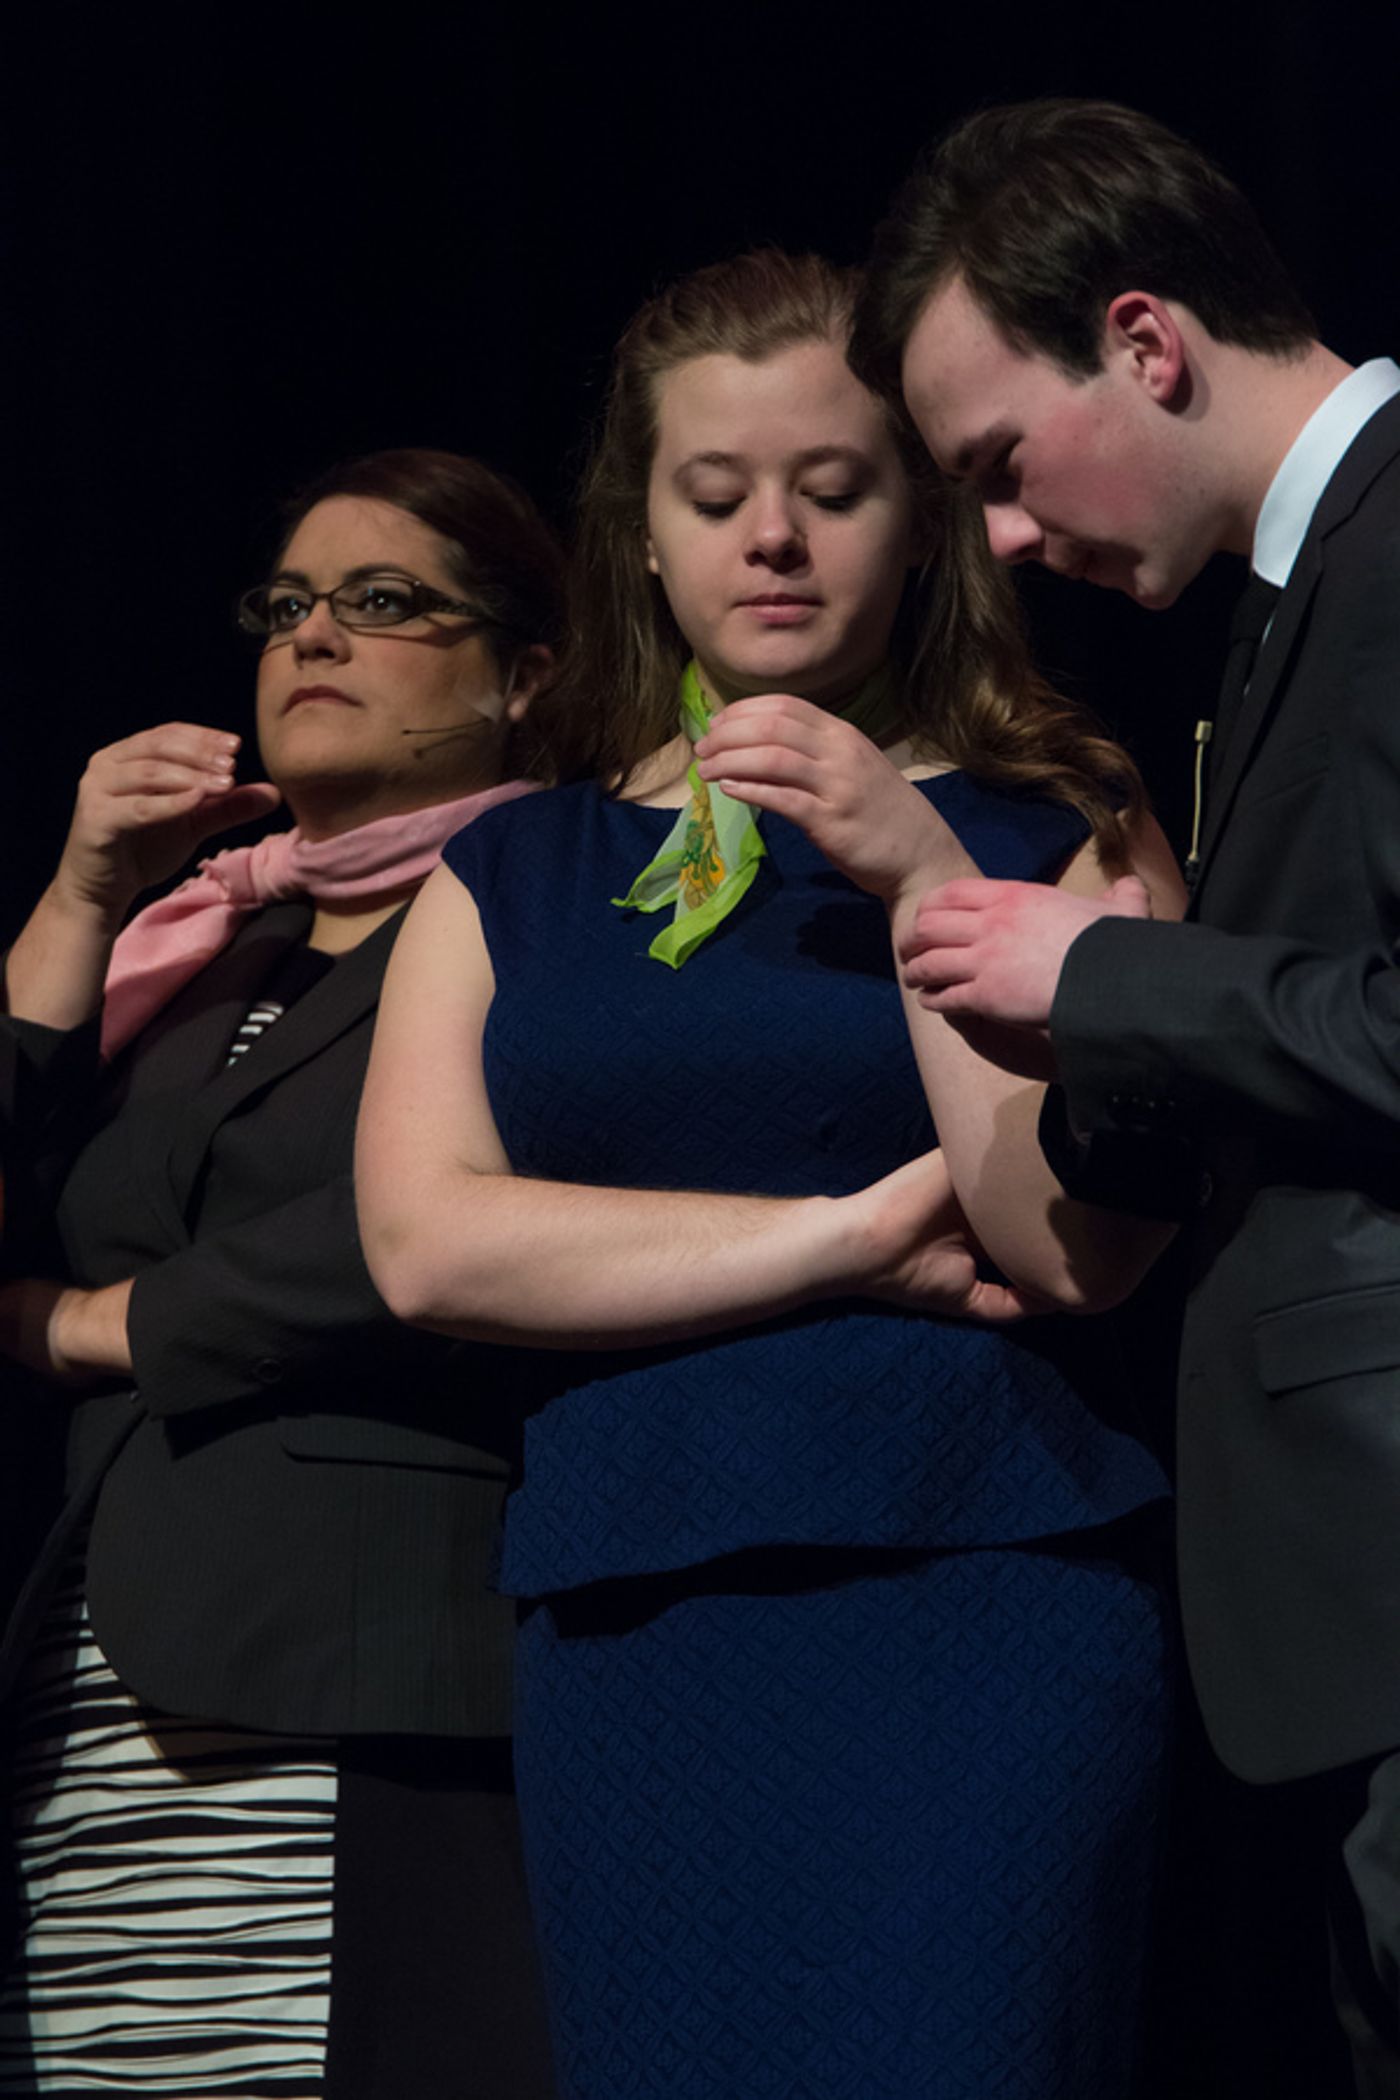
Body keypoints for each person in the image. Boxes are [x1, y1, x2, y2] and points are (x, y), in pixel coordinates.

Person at [356, 250, 1185, 2100]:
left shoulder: (1056, 814)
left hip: (987, 1573)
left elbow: (1073, 1248)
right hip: (644, 1611)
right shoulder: (519, 871)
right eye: (715, 495)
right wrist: (850, 1239)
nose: (775, 541)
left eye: (834, 489)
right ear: (639, 534)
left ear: (925, 524)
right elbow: (429, 1246)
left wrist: (910, 870)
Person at [851, 95, 1400, 2093]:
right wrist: (1079, 1041)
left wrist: (1103, 975)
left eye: (998, 465)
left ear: (1147, 341)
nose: (1003, 538)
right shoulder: (1278, 611)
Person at [0, 447, 563, 2098]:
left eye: (383, 604)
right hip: (94, 1708)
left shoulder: (560, 910)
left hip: (357, 1680)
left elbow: (435, 1225)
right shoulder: (186, 943)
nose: (314, 637)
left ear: (523, 675)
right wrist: (84, 894)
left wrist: (116, 1325)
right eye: (289, 606)